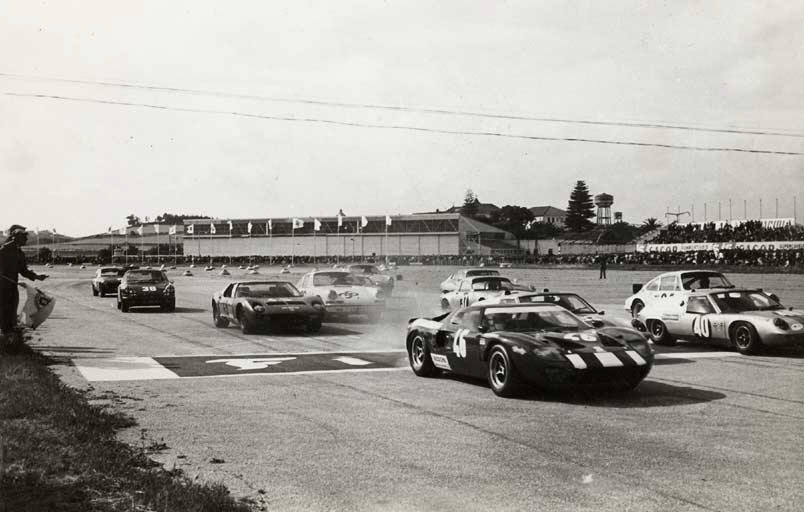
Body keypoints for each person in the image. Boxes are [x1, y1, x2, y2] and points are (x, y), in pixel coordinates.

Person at [0, 225, 48, 340]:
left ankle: (9, 335)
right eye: (24, 238)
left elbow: (23, 270)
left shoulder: (20, 253)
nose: (26, 240)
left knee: (12, 308)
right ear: (15, 237)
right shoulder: (4, 250)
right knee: (3, 309)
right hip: (2, 286)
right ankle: (4, 334)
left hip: (12, 286)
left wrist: (37, 276)